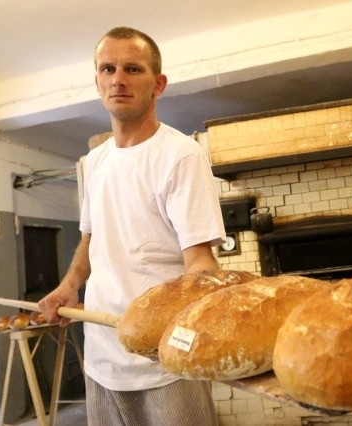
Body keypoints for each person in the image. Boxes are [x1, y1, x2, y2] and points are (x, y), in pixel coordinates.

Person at [38, 27, 226, 425]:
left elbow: (202, 264)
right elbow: (92, 238)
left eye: (132, 69)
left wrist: (181, 329)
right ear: (98, 81)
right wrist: (69, 286)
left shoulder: (180, 156)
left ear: (158, 84)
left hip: (164, 365)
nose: (118, 79)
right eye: (108, 68)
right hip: (102, 358)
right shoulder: (95, 162)